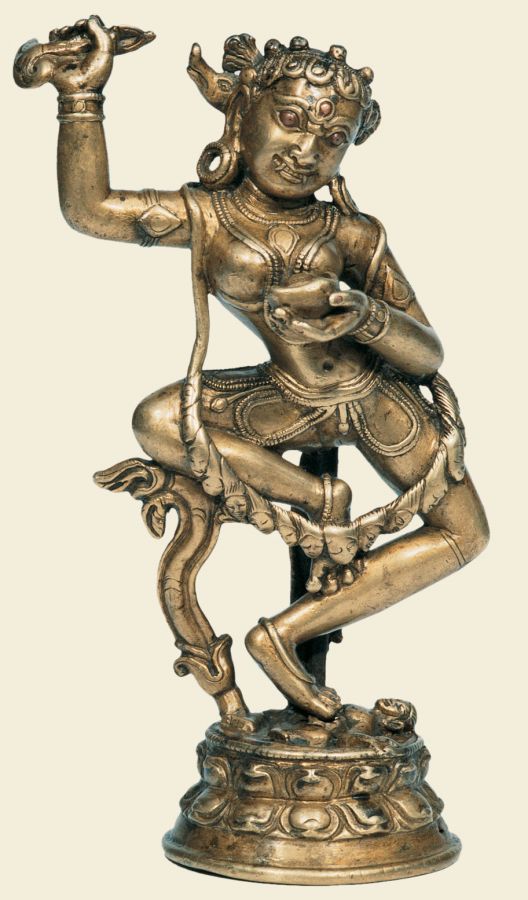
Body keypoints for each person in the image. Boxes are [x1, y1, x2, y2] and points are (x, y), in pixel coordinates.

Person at [28, 17, 489, 720]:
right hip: (284, 397)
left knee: (465, 533)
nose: (307, 152)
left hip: (374, 398)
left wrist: (362, 314)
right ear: (244, 117)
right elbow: (90, 210)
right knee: (157, 420)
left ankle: (284, 634)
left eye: (331, 138)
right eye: (292, 122)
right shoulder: (208, 216)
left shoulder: (351, 233)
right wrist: (80, 99)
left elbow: (427, 353)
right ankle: (318, 496)